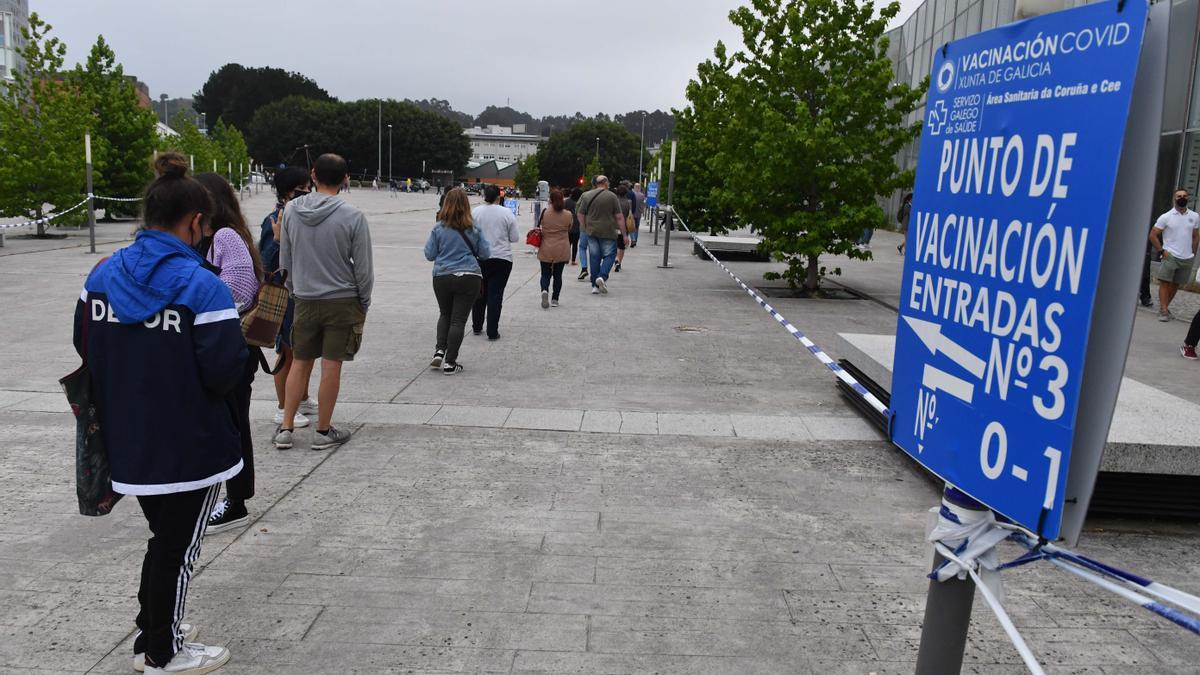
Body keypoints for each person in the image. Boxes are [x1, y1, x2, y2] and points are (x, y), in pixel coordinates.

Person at [74, 153, 243, 674]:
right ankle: (161, 652)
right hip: (191, 444)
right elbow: (222, 372)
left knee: (163, 539)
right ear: (196, 223)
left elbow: (84, 343)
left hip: (126, 440)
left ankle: (157, 624)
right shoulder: (203, 286)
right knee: (178, 548)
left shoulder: (100, 275)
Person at [275, 153, 374, 451]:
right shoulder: (353, 216)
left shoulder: (291, 211)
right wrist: (363, 302)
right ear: (345, 179)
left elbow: (285, 259)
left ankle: (286, 427)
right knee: (332, 366)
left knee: (300, 363)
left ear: (313, 175)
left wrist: (294, 289)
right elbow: (363, 268)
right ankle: (322, 431)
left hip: (304, 297)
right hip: (342, 299)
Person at [195, 172, 263, 535]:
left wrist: (196, 303)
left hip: (230, 345)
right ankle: (229, 496)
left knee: (234, 424)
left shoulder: (224, 235)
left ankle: (236, 501)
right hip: (221, 344)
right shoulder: (215, 235)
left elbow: (238, 288)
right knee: (227, 423)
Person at [258, 167, 316, 429]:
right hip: (284, 296)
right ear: (287, 192)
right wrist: (279, 239)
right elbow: (267, 263)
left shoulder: (300, 217)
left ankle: (301, 396)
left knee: (305, 351)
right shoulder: (276, 218)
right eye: (302, 188)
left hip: (303, 291)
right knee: (288, 352)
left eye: (309, 187)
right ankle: (284, 407)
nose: (307, 192)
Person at [425, 187, 490, 374]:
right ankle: (450, 362)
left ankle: (439, 351)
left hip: (443, 276)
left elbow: (429, 254)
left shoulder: (438, 228)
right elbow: (485, 253)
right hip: (469, 276)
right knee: (458, 320)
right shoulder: (474, 228)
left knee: (445, 314)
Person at [470, 184, 520, 340]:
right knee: (495, 294)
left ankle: (477, 326)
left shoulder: (476, 212)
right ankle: (492, 331)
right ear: (500, 196)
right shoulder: (506, 213)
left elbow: (470, 234)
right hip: (502, 258)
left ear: (484, 196)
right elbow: (514, 237)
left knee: (479, 293)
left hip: (480, 258)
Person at [1149, 188, 1199, 321]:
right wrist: (1161, 251)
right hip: (1170, 255)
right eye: (1179, 196)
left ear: (1188, 198)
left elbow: (1195, 236)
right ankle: (1164, 311)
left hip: (1186, 257)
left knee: (1176, 284)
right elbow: (1153, 235)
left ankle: (1165, 307)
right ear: (1174, 199)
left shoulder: (1194, 216)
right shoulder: (1166, 217)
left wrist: (1193, 252)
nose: (1182, 198)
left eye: (1184, 196)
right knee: (1165, 283)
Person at [577, 175, 626, 294]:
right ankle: (602, 277)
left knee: (594, 257)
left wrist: (585, 227)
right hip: (608, 231)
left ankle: (594, 286)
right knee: (610, 255)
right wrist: (624, 234)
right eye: (608, 181)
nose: (609, 184)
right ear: (604, 182)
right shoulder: (612, 196)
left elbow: (580, 214)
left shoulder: (586, 195)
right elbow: (619, 217)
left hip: (592, 231)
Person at [538, 189, 573, 308]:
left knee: (545, 273)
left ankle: (544, 290)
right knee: (558, 275)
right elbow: (569, 228)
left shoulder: (544, 212)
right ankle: (555, 299)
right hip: (562, 247)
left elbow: (540, 226)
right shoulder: (568, 214)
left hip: (546, 246)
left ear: (550, 200)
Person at [614, 184, 633, 273]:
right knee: (621, 246)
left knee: (613, 245)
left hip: (613, 227)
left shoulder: (614, 201)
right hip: (624, 227)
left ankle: (615, 258)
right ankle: (619, 261)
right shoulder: (628, 202)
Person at [566, 187, 582, 265]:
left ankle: (566, 259)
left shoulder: (567, 201)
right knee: (575, 244)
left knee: (567, 243)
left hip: (567, 224)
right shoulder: (580, 202)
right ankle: (573, 260)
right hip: (577, 225)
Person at [630, 182, 644, 248]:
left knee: (631, 227)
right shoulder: (642, 195)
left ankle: (633, 239)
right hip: (639, 214)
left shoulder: (632, 194)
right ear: (640, 188)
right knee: (637, 228)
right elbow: (642, 205)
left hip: (632, 214)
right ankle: (635, 240)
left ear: (635, 187)